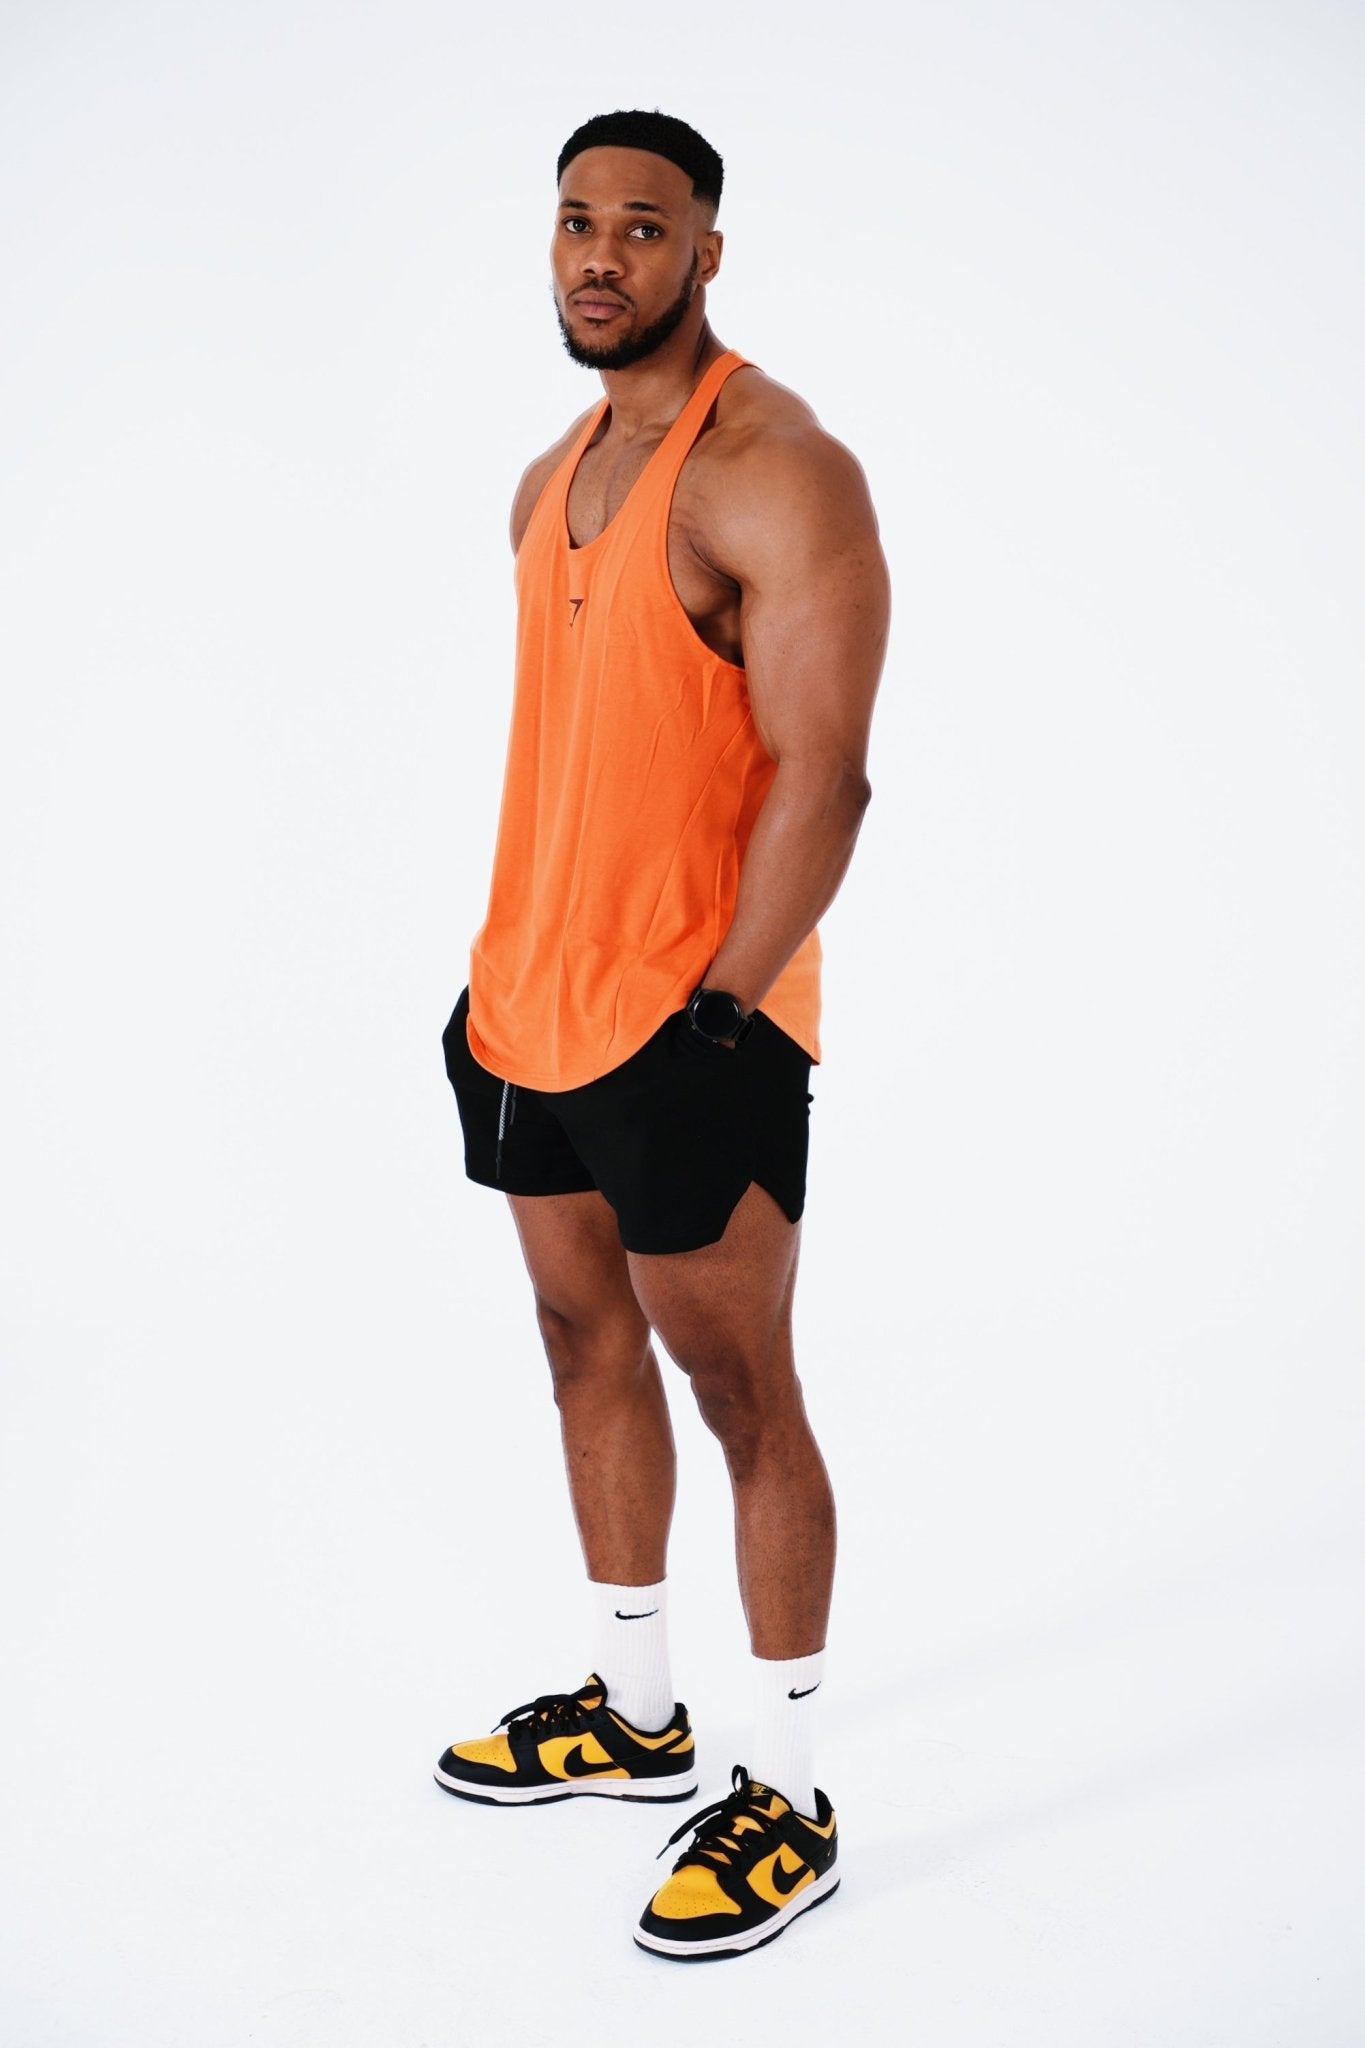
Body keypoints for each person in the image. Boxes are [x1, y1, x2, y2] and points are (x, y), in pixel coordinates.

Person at [436, 107, 889, 1961]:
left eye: (642, 226)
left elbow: (825, 778)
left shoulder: (776, 469)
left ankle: (787, 1792)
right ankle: (634, 1718)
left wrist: (720, 1010)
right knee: (577, 1348)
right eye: (575, 222)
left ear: (706, 251)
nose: (601, 256)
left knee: (742, 1396)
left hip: (690, 1028)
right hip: (523, 1006)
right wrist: (500, 977)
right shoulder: (549, 473)